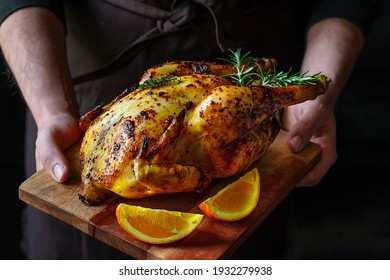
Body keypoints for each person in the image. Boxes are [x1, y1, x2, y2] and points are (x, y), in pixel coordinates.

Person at [0, 0, 382, 259]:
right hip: (103, 66)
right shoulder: (126, 168)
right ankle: (300, 85)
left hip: (251, 38)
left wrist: (322, 79)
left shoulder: (99, 165)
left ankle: (297, 86)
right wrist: (52, 112)